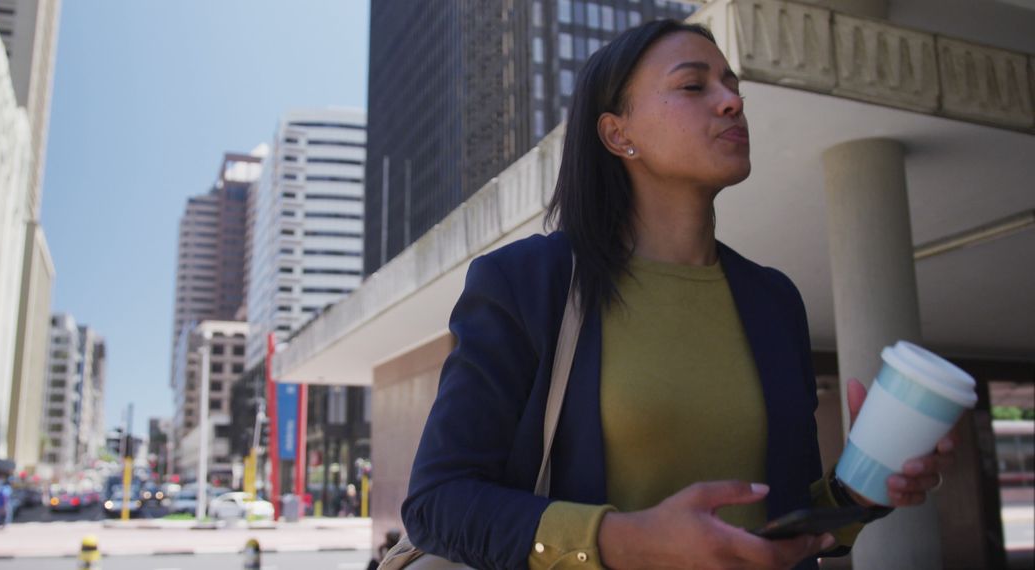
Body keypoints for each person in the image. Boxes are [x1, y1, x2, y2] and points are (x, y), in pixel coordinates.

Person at [401, 19, 955, 570]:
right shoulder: (527, 282)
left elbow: (783, 517)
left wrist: (859, 489)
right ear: (619, 134)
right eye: (694, 86)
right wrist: (625, 540)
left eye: (733, 86)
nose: (731, 102)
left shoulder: (774, 300)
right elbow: (437, 503)